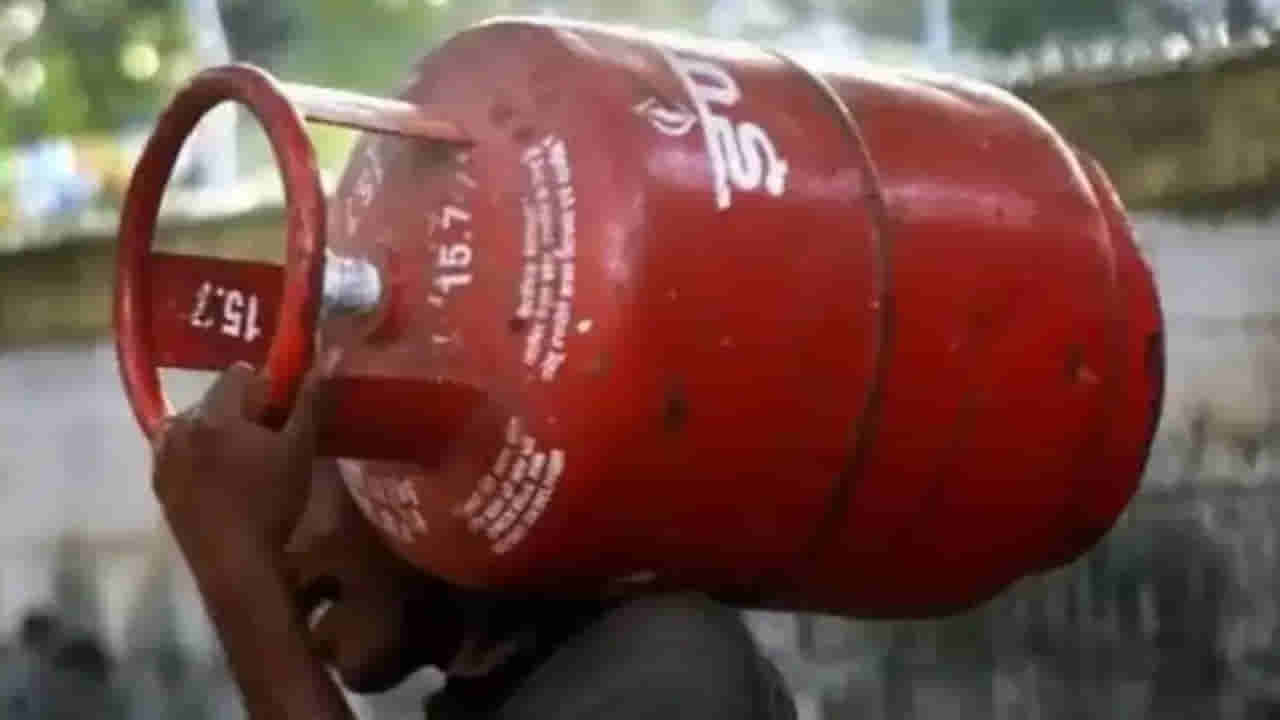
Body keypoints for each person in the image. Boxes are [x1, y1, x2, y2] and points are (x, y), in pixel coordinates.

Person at [151, 361, 796, 719]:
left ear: (423, 458)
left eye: (285, 478)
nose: (269, 541)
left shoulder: (663, 664)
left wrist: (239, 576)